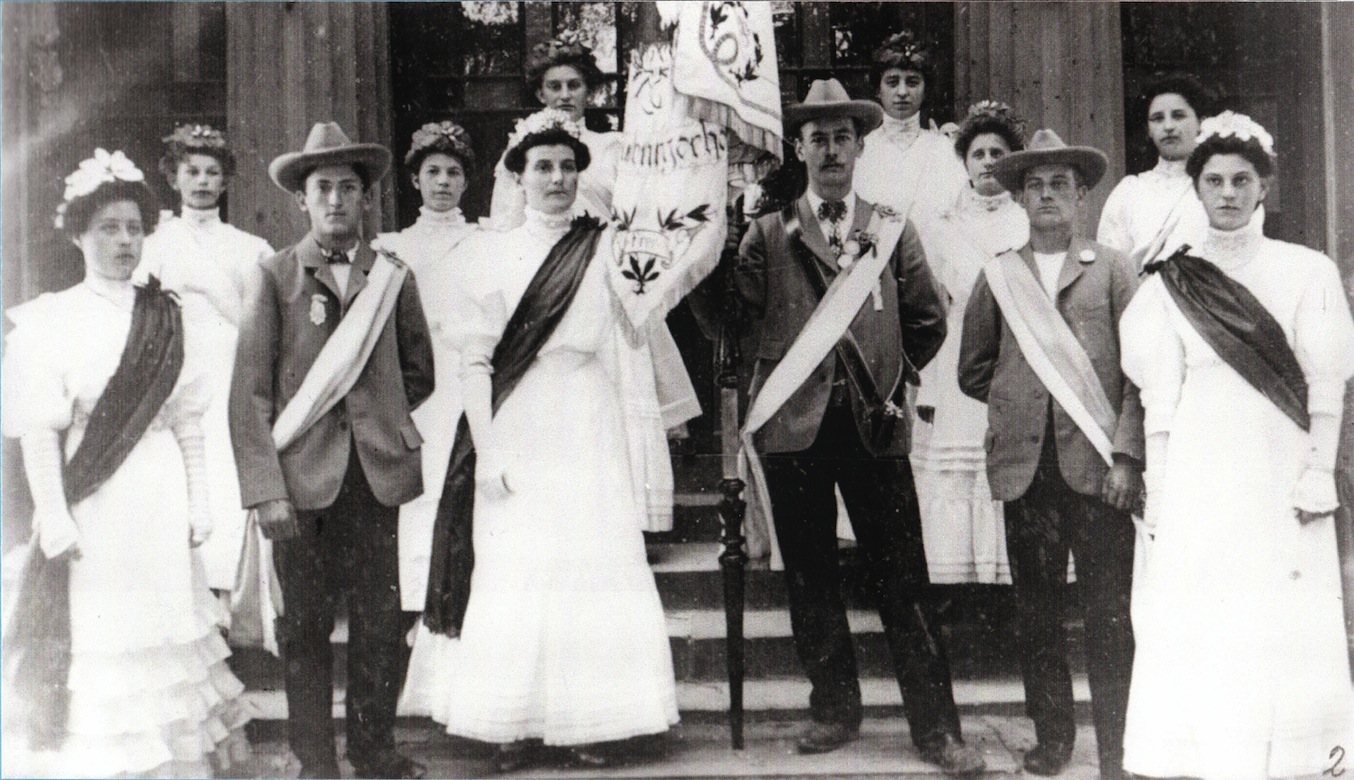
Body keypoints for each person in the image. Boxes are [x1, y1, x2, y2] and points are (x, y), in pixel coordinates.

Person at [405, 109, 678, 773]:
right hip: (518, 419)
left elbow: (638, 321)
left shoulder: (604, 248)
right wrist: (488, 451)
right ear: (518, 177)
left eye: (566, 166)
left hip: (587, 415)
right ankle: (511, 723)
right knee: (516, 566)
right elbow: (475, 362)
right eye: (542, 167)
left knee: (590, 565)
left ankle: (593, 720)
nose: (556, 178)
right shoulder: (491, 252)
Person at [727, 78, 984, 774]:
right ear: (800, 149)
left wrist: (887, 377)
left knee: (903, 578)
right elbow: (739, 324)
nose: (832, 150)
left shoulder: (893, 227)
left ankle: (937, 729)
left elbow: (927, 320)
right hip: (795, 429)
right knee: (811, 578)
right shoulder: (767, 233)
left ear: (859, 147)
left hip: (876, 425)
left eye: (843, 137)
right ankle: (833, 710)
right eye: (819, 138)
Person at [1120, 112, 1354, 779]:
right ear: (1196, 188)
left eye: (1242, 180)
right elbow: (1160, 397)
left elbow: (1326, 382)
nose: (1228, 192)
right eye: (1214, 180)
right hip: (1203, 465)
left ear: (1263, 187)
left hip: (1283, 463)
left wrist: (1319, 470)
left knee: (1280, 611)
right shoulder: (1172, 281)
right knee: (1208, 613)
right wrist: (1161, 488)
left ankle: (1291, 762)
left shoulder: (1306, 270)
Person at [2, 150, 248, 777]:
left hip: (161, 492)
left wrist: (200, 503)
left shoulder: (166, 314)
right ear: (79, 235)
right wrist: (54, 515)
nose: (123, 242)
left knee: (166, 628)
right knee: (106, 630)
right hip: (95, 498)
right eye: (108, 228)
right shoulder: (52, 318)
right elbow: (38, 431)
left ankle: (170, 760)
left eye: (134, 229)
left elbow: (188, 421)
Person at [228, 122, 434, 779]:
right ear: (302, 199)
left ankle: (374, 752)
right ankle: (313, 757)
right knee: (304, 628)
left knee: (379, 624)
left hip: (374, 477)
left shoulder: (392, 277)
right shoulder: (275, 277)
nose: (337, 200)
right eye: (323, 188)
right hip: (300, 483)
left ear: (366, 198)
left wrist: (375, 419)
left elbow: (419, 371)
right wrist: (265, 491)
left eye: (349, 187)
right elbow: (250, 395)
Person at [958, 129, 1143, 778]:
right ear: (1018, 197)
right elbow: (974, 370)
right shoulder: (999, 275)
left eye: (1059, 184)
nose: (1045, 195)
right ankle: (1054, 740)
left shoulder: (1114, 269)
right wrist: (1023, 403)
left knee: (1109, 615)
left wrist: (1127, 456)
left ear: (1081, 195)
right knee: (1036, 616)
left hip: (1097, 469)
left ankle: (1119, 749)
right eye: (1033, 185)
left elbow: (1140, 374)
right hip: (1026, 473)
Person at [137, 123, 274, 604]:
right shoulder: (153, 244)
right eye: (191, 171)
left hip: (231, 377)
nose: (201, 181)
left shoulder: (250, 247)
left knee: (226, 477)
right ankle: (184, 599)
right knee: (178, 480)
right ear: (173, 177)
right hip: (173, 379)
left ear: (226, 180)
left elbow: (260, 327)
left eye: (212, 172)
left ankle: (232, 602)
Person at [911, 101, 1028, 585]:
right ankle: (960, 581)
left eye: (997, 153)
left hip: (1015, 353)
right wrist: (930, 387)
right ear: (963, 161)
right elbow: (932, 311)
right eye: (977, 153)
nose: (987, 162)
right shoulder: (942, 226)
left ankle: (1010, 575)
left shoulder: (1026, 220)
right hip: (958, 355)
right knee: (960, 464)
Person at [373, 121, 480, 616]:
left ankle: (466, 601)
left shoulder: (487, 240)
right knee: (421, 485)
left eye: (453, 172)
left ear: (466, 181)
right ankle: (419, 603)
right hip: (418, 384)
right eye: (432, 171)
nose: (443, 182)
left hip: (470, 377)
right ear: (415, 179)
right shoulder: (391, 247)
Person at [489, 30, 619, 230]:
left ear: (588, 92)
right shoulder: (522, 145)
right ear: (541, 94)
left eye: (574, 86)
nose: (565, 95)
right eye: (555, 87)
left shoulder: (612, 146)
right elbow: (504, 220)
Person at [854, 30, 968, 232]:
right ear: (878, 90)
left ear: (925, 90)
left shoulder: (945, 150)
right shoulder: (861, 151)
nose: (902, 92)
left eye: (912, 82)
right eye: (892, 82)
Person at [1096, 73, 1215, 266]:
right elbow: (1109, 268)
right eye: (1157, 118)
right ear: (1148, 131)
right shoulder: (1129, 192)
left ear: (1201, 122)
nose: (1168, 126)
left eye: (1178, 116)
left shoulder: (1219, 187)